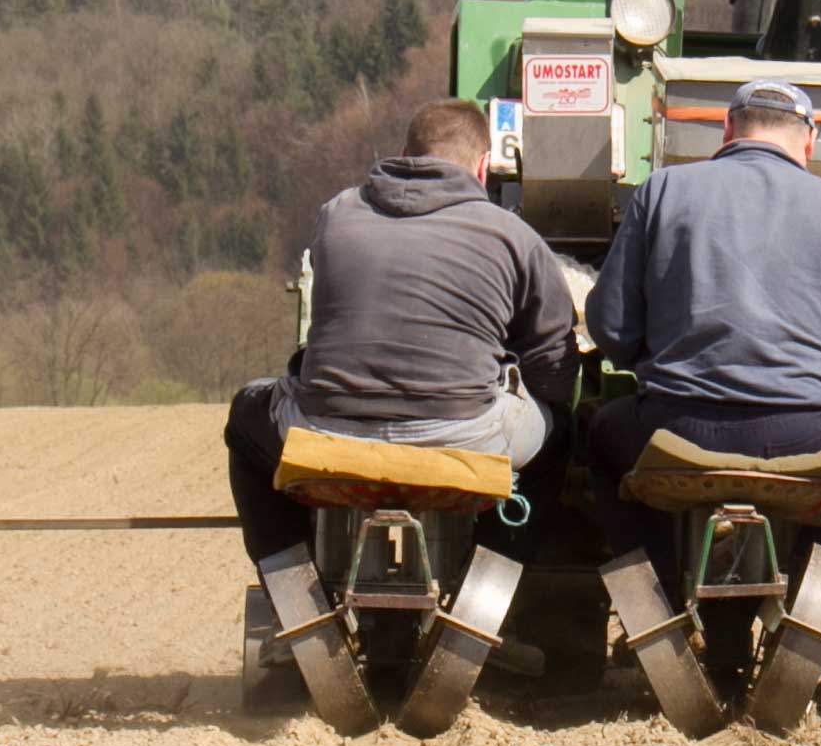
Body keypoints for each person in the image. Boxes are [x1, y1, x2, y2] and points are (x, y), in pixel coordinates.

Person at [585, 79, 821, 602]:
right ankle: (811, 611)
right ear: (810, 141)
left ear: (727, 129)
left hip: (673, 430)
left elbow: (612, 328)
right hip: (809, 436)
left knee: (602, 434)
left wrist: (656, 356)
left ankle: (656, 605)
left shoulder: (662, 190)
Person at [224, 100, 577, 566]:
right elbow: (554, 365)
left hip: (328, 427)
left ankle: (289, 578)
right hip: (466, 433)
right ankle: (493, 577)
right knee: (560, 428)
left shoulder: (336, 213)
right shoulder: (514, 235)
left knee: (244, 415)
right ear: (483, 166)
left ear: (405, 155)